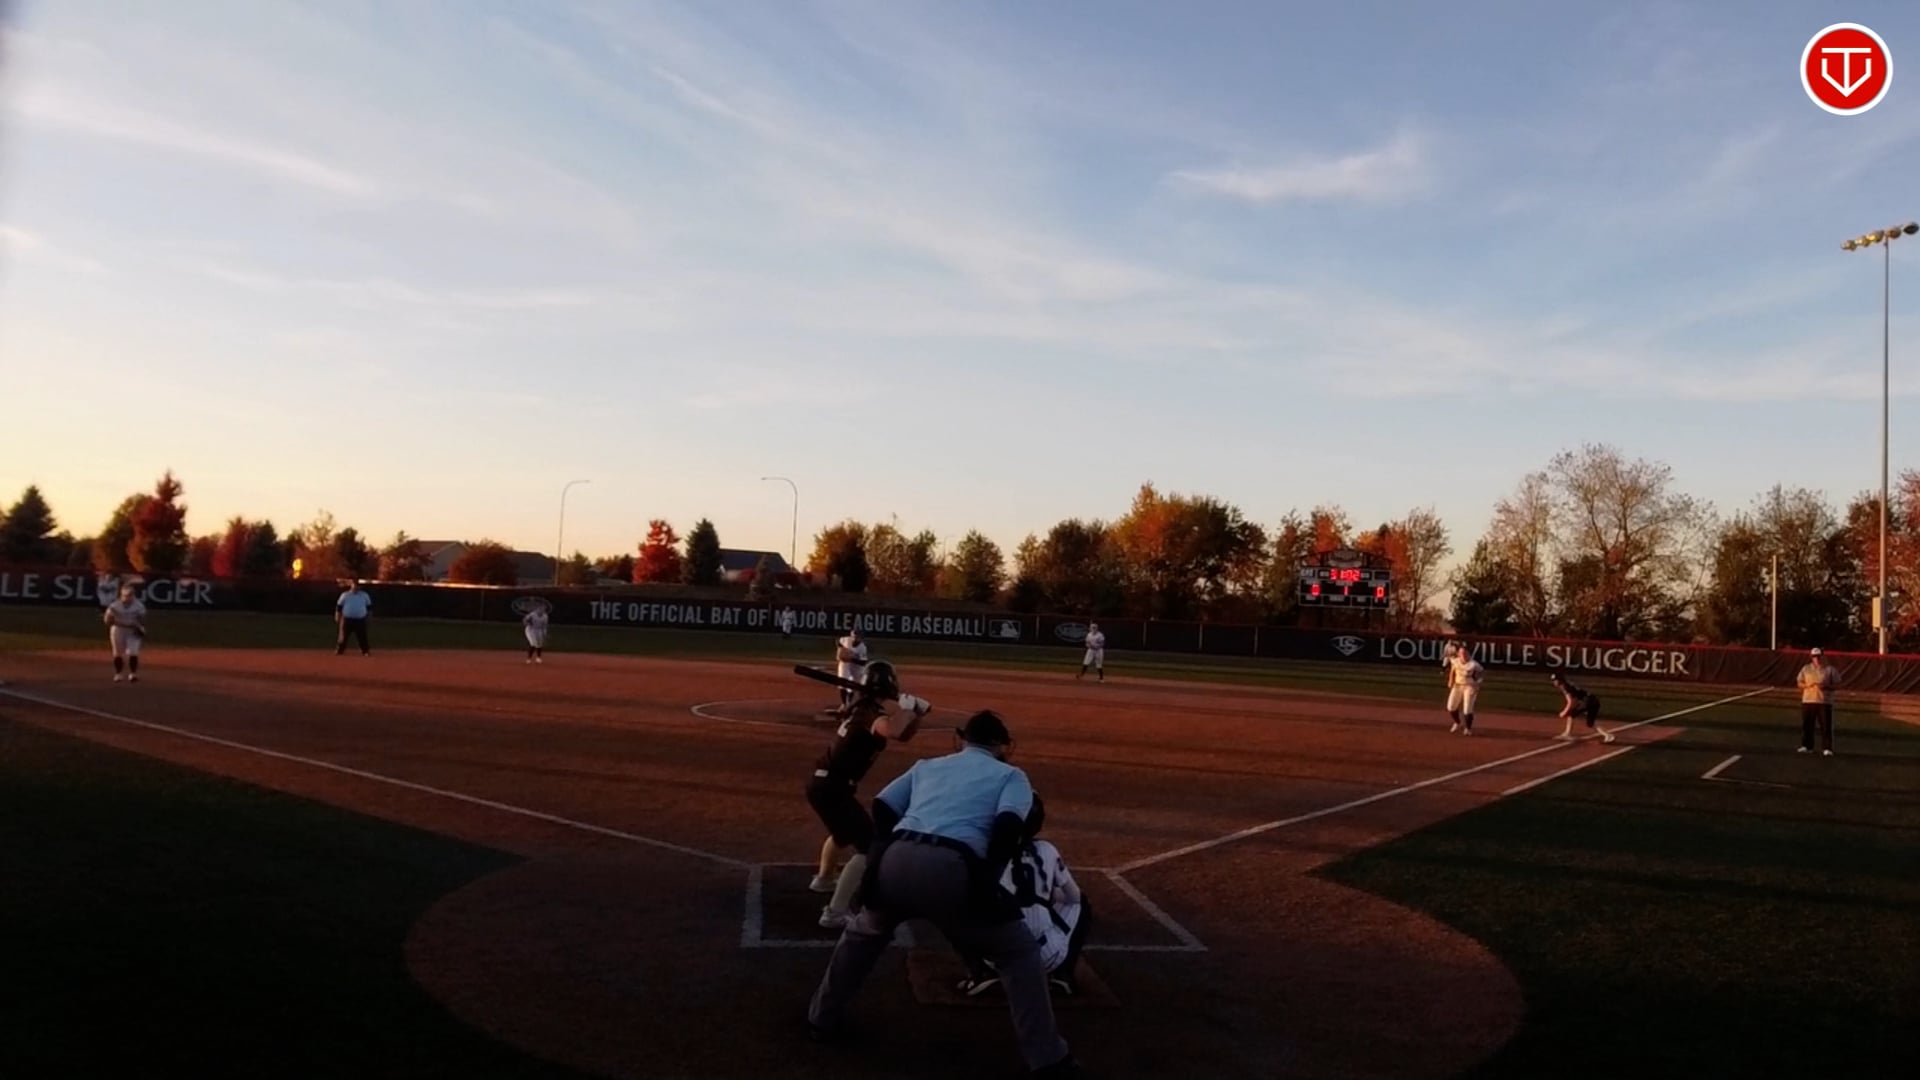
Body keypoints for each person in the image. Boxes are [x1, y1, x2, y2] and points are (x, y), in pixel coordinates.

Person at [807, 710, 1081, 1078]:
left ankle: (821, 1018)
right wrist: (987, 881)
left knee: (862, 935)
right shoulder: (1011, 775)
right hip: (951, 868)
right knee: (1018, 953)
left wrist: (877, 861)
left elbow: (884, 806)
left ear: (962, 739)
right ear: (1002, 745)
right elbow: (1008, 826)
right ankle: (1047, 1058)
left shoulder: (928, 765)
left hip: (896, 859)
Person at [808, 660, 932, 928]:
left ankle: (824, 879)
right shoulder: (868, 714)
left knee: (843, 833)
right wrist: (907, 709)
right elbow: (894, 730)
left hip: (826, 785)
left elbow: (904, 734)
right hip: (832, 788)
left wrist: (915, 714)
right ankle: (834, 913)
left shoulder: (864, 710)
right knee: (870, 847)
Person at [955, 792, 1093, 999]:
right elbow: (1074, 898)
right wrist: (1045, 894)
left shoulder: (983, 849)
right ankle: (1062, 975)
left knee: (959, 899)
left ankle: (980, 972)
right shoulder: (1047, 850)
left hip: (996, 956)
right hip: (1047, 956)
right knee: (1081, 903)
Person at [1550, 671, 1615, 743]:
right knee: (1590, 723)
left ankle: (1567, 734)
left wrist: (1564, 712)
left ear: (1560, 680)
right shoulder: (1568, 684)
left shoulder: (1565, 687)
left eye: (1556, 680)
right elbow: (1575, 699)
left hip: (1588, 701)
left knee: (1571, 714)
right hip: (1593, 700)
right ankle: (1608, 735)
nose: (1554, 682)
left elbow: (1570, 701)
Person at [1797, 647, 1840, 756]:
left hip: (1824, 701)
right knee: (1808, 725)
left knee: (1825, 726)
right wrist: (1807, 685)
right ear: (1811, 657)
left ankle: (1827, 748)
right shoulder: (1806, 669)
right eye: (1814, 656)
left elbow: (1837, 684)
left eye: (1818, 656)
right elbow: (1799, 682)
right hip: (1808, 700)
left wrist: (1826, 686)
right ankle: (1807, 746)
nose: (1816, 658)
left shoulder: (1830, 669)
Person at [103, 582, 147, 683]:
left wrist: (139, 627)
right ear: (121, 595)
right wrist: (120, 623)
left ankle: (133, 674)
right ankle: (118, 674)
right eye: (126, 595)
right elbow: (107, 621)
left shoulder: (139, 606)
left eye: (131, 595)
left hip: (132, 630)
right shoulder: (114, 606)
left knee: (133, 652)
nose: (128, 598)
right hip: (118, 630)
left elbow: (142, 619)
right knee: (117, 652)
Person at [1446, 641, 1484, 734]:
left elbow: (1481, 673)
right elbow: (1453, 670)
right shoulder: (1455, 661)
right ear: (1458, 654)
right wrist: (1450, 680)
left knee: (1467, 709)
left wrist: (1478, 682)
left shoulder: (1473, 664)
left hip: (1469, 686)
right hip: (1457, 685)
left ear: (1468, 654)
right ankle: (1457, 722)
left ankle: (1468, 728)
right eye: (1461, 653)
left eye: (1465, 653)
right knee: (1451, 706)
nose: (1463, 655)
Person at [831, 627, 868, 715]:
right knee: (842, 682)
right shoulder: (846, 640)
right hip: (845, 665)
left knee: (854, 686)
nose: (856, 638)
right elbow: (838, 641)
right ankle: (844, 705)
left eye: (858, 637)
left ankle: (850, 705)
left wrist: (850, 659)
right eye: (854, 636)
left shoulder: (862, 648)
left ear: (861, 638)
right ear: (852, 636)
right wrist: (840, 648)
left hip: (856, 667)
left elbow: (863, 662)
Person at [336, 580, 373, 656]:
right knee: (343, 636)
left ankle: (365, 651)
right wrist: (337, 616)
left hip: (360, 619)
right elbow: (339, 607)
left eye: (357, 586)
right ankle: (340, 650)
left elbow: (369, 607)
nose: (356, 587)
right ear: (351, 586)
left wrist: (369, 617)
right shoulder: (345, 595)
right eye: (354, 585)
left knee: (362, 636)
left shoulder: (364, 595)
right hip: (347, 619)